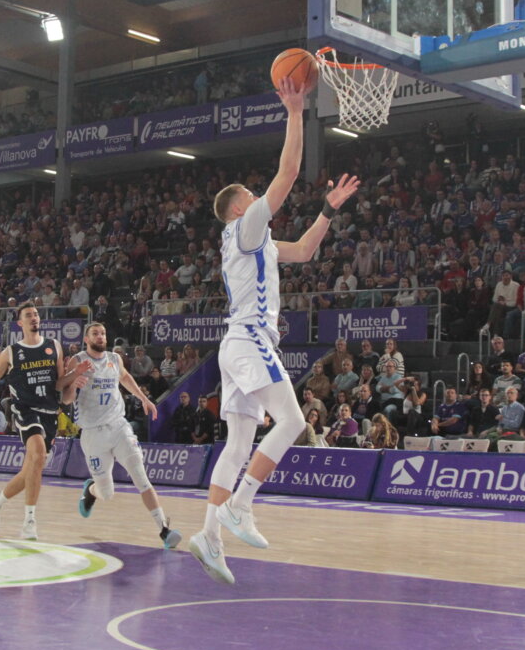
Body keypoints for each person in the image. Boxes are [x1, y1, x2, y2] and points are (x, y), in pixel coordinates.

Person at [190, 74, 359, 586]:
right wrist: (294, 111)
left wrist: (328, 210)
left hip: (235, 345)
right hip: (249, 340)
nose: (256, 197)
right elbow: (286, 173)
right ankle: (240, 506)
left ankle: (209, 537)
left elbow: (304, 251)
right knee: (292, 423)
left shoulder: (257, 243)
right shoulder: (243, 228)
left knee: (239, 446)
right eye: (250, 194)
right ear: (241, 207)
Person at [0, 302, 90, 541]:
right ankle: (29, 521)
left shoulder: (54, 346)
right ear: (20, 323)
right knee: (37, 456)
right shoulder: (11, 352)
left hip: (49, 412)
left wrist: (75, 374)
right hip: (25, 411)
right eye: (29, 315)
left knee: (31, 470)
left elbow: (58, 384)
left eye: (36, 314)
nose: (34, 318)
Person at [68, 322, 182, 548]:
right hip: (92, 433)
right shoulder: (78, 361)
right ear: (86, 339)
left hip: (119, 426)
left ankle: (164, 530)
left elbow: (126, 377)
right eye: (95, 334)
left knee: (141, 476)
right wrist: (73, 382)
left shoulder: (115, 358)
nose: (100, 336)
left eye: (102, 333)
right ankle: (91, 491)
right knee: (106, 492)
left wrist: (144, 398)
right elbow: (65, 393)